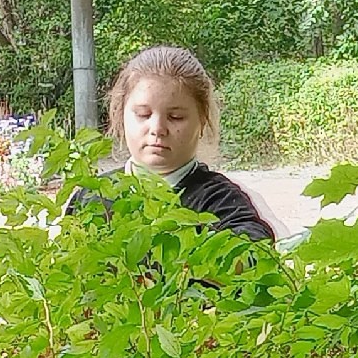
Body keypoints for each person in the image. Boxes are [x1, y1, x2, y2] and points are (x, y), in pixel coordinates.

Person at [88, 45, 275, 245]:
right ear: (120, 114)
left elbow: (256, 247)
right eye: (143, 114)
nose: (157, 128)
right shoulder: (93, 196)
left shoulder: (220, 202)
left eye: (175, 117)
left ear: (202, 120)